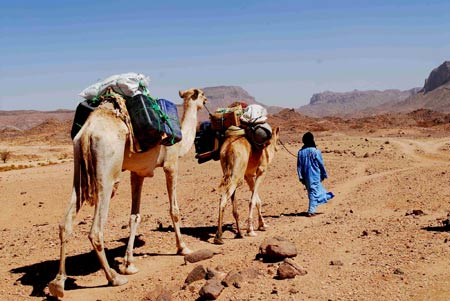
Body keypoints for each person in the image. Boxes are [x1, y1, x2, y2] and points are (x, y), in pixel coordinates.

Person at [297, 132, 334, 217]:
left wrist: (300, 176)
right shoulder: (316, 151)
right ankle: (311, 210)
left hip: (305, 176)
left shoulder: (300, 152)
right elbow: (321, 164)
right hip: (315, 175)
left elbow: (299, 166)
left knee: (313, 190)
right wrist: (324, 174)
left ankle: (326, 196)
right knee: (313, 191)